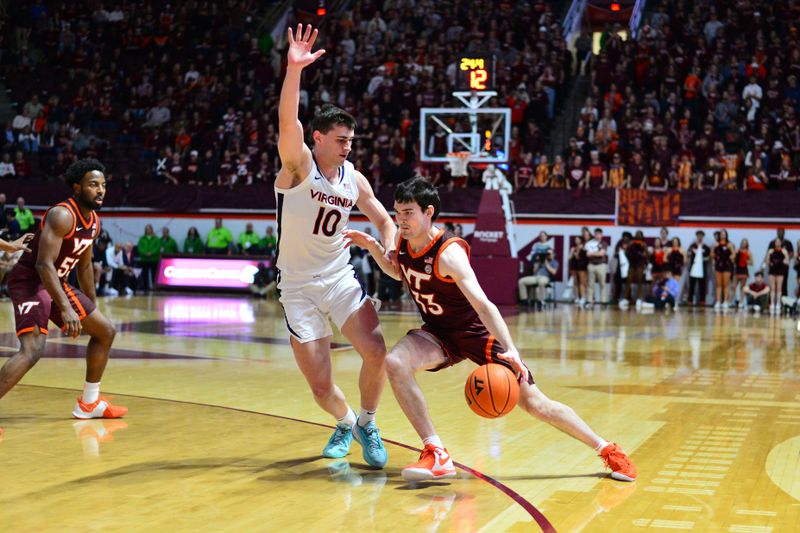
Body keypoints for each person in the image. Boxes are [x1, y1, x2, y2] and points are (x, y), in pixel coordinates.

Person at [343, 177, 637, 482]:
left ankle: (607, 449)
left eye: (408, 212)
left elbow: (484, 306)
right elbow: (398, 271)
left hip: (477, 334)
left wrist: (511, 349)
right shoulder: (404, 243)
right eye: (397, 213)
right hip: (439, 333)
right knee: (395, 363)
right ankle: (436, 453)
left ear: (428, 211)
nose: (400, 220)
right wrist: (374, 247)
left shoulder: (448, 252)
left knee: (536, 403)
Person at [273, 24, 397, 468]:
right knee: (321, 387)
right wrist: (294, 70)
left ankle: (367, 421)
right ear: (319, 139)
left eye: (351, 141)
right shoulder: (298, 165)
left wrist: (388, 246)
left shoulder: (354, 179)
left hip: (339, 277)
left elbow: (383, 217)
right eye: (341, 140)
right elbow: (289, 121)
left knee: (377, 352)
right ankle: (344, 421)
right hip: (298, 286)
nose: (348, 147)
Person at [0, 158, 126, 437]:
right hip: (31, 281)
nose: (101, 190)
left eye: (103, 185)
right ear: (77, 187)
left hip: (56, 282)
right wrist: (66, 309)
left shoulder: (93, 220)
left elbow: (83, 266)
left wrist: (91, 308)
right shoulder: (62, 215)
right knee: (32, 351)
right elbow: (43, 265)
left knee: (105, 331)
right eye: (94, 185)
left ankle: (89, 402)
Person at [764, 238, 789, 314]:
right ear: (774, 243)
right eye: (776, 242)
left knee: (779, 288)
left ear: (781, 243)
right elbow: (767, 261)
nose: (777, 243)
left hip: (780, 271)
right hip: (772, 271)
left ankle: (778, 304)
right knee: (772, 288)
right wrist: (768, 256)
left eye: (779, 242)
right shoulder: (771, 251)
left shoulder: (784, 251)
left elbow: (787, 262)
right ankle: (772, 303)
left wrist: (785, 257)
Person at [585, 228, 608, 305]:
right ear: (594, 234)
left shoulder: (603, 243)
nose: (597, 235)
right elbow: (587, 254)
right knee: (590, 284)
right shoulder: (589, 243)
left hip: (601, 265)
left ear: (601, 235)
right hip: (591, 265)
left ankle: (603, 301)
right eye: (596, 234)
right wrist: (595, 253)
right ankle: (589, 301)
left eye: (599, 234)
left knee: (602, 284)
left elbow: (601, 253)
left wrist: (592, 253)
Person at [687, 231, 711, 306]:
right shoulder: (693, 246)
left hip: (702, 269)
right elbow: (688, 254)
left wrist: (705, 258)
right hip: (693, 267)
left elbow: (709, 256)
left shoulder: (706, 247)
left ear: (703, 237)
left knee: (702, 285)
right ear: (696, 236)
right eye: (698, 236)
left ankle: (702, 300)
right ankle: (690, 300)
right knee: (692, 284)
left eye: (701, 236)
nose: (700, 237)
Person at [136, 224, 160, 291]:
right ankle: (145, 287)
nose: (148, 230)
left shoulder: (156, 239)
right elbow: (140, 247)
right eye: (147, 229)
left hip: (154, 259)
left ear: (152, 230)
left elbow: (157, 247)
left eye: (149, 229)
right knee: (144, 274)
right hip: (144, 259)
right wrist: (145, 253)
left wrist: (152, 253)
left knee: (154, 274)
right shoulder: (142, 238)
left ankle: (155, 287)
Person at [733, 239, 753, 308]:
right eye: (742, 243)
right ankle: (731, 301)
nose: (743, 244)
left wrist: (745, 260)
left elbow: (751, 262)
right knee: (734, 286)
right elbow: (733, 259)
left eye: (745, 243)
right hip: (737, 270)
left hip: (744, 270)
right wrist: (735, 255)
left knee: (742, 287)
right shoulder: (737, 250)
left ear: (747, 244)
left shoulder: (748, 252)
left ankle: (741, 302)